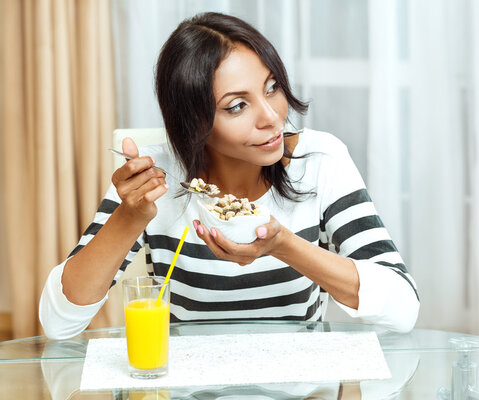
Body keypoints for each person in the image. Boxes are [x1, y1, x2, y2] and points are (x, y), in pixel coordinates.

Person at [39, 12, 419, 340]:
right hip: (186, 386)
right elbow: (58, 324)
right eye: (237, 106)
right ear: (193, 122)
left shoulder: (318, 160)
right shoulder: (155, 179)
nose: (271, 117)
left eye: (272, 88)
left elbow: (404, 308)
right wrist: (130, 217)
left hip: (302, 386)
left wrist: (285, 245)